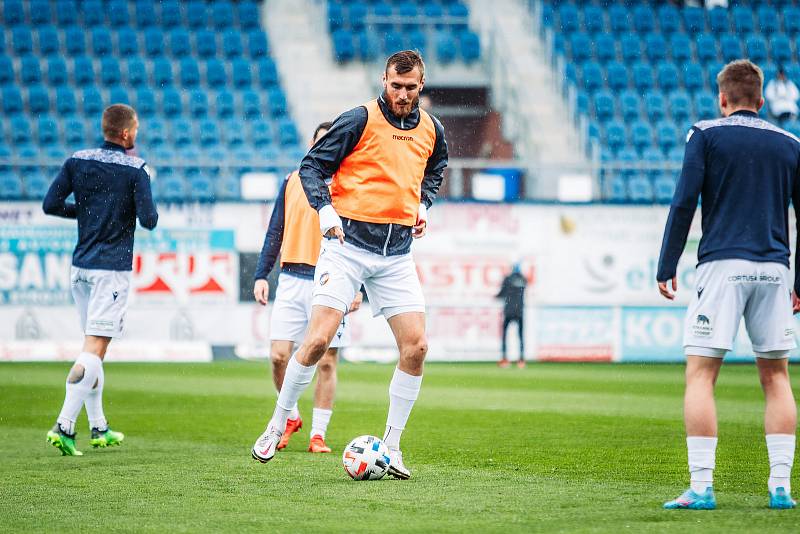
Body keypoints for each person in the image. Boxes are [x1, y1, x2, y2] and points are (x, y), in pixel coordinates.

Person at [251, 50, 448, 480]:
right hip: (348, 247)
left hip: (396, 255)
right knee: (318, 340)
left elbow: (435, 170)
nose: (402, 94)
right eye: (395, 86)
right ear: (384, 80)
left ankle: (392, 447)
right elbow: (312, 166)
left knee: (417, 348)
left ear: (421, 84)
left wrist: (424, 205)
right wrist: (324, 211)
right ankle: (276, 424)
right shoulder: (358, 119)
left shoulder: (433, 129)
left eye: (410, 87)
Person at [657, 60, 799, 510]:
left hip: (722, 266)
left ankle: (701, 487)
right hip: (775, 269)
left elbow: (684, 201)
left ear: (723, 99)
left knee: (701, 376)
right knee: (777, 378)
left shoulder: (706, 133)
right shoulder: (791, 143)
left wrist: (667, 263)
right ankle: (781, 487)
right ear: (761, 100)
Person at [42, 104, 158, 456]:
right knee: (95, 349)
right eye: (135, 129)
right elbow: (149, 220)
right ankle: (64, 425)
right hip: (111, 271)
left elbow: (51, 203)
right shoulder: (136, 169)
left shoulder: (77, 159)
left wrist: (89, 212)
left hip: (80, 268)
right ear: (125, 133)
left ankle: (99, 427)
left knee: (92, 347)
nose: (136, 134)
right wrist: (127, 204)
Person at [253, 121, 363, 454]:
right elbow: (276, 230)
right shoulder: (292, 181)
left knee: (327, 361)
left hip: (331, 280)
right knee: (277, 356)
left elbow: (361, 241)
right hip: (290, 278)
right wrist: (261, 274)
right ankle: (291, 417)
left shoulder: (349, 186)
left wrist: (359, 288)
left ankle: (318, 434)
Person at [496, 263, 527, 368]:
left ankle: (505, 359)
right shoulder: (523, 279)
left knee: (504, 336)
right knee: (521, 336)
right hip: (520, 311)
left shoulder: (507, 279)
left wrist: (494, 297)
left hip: (509, 311)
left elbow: (501, 294)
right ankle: (521, 360)